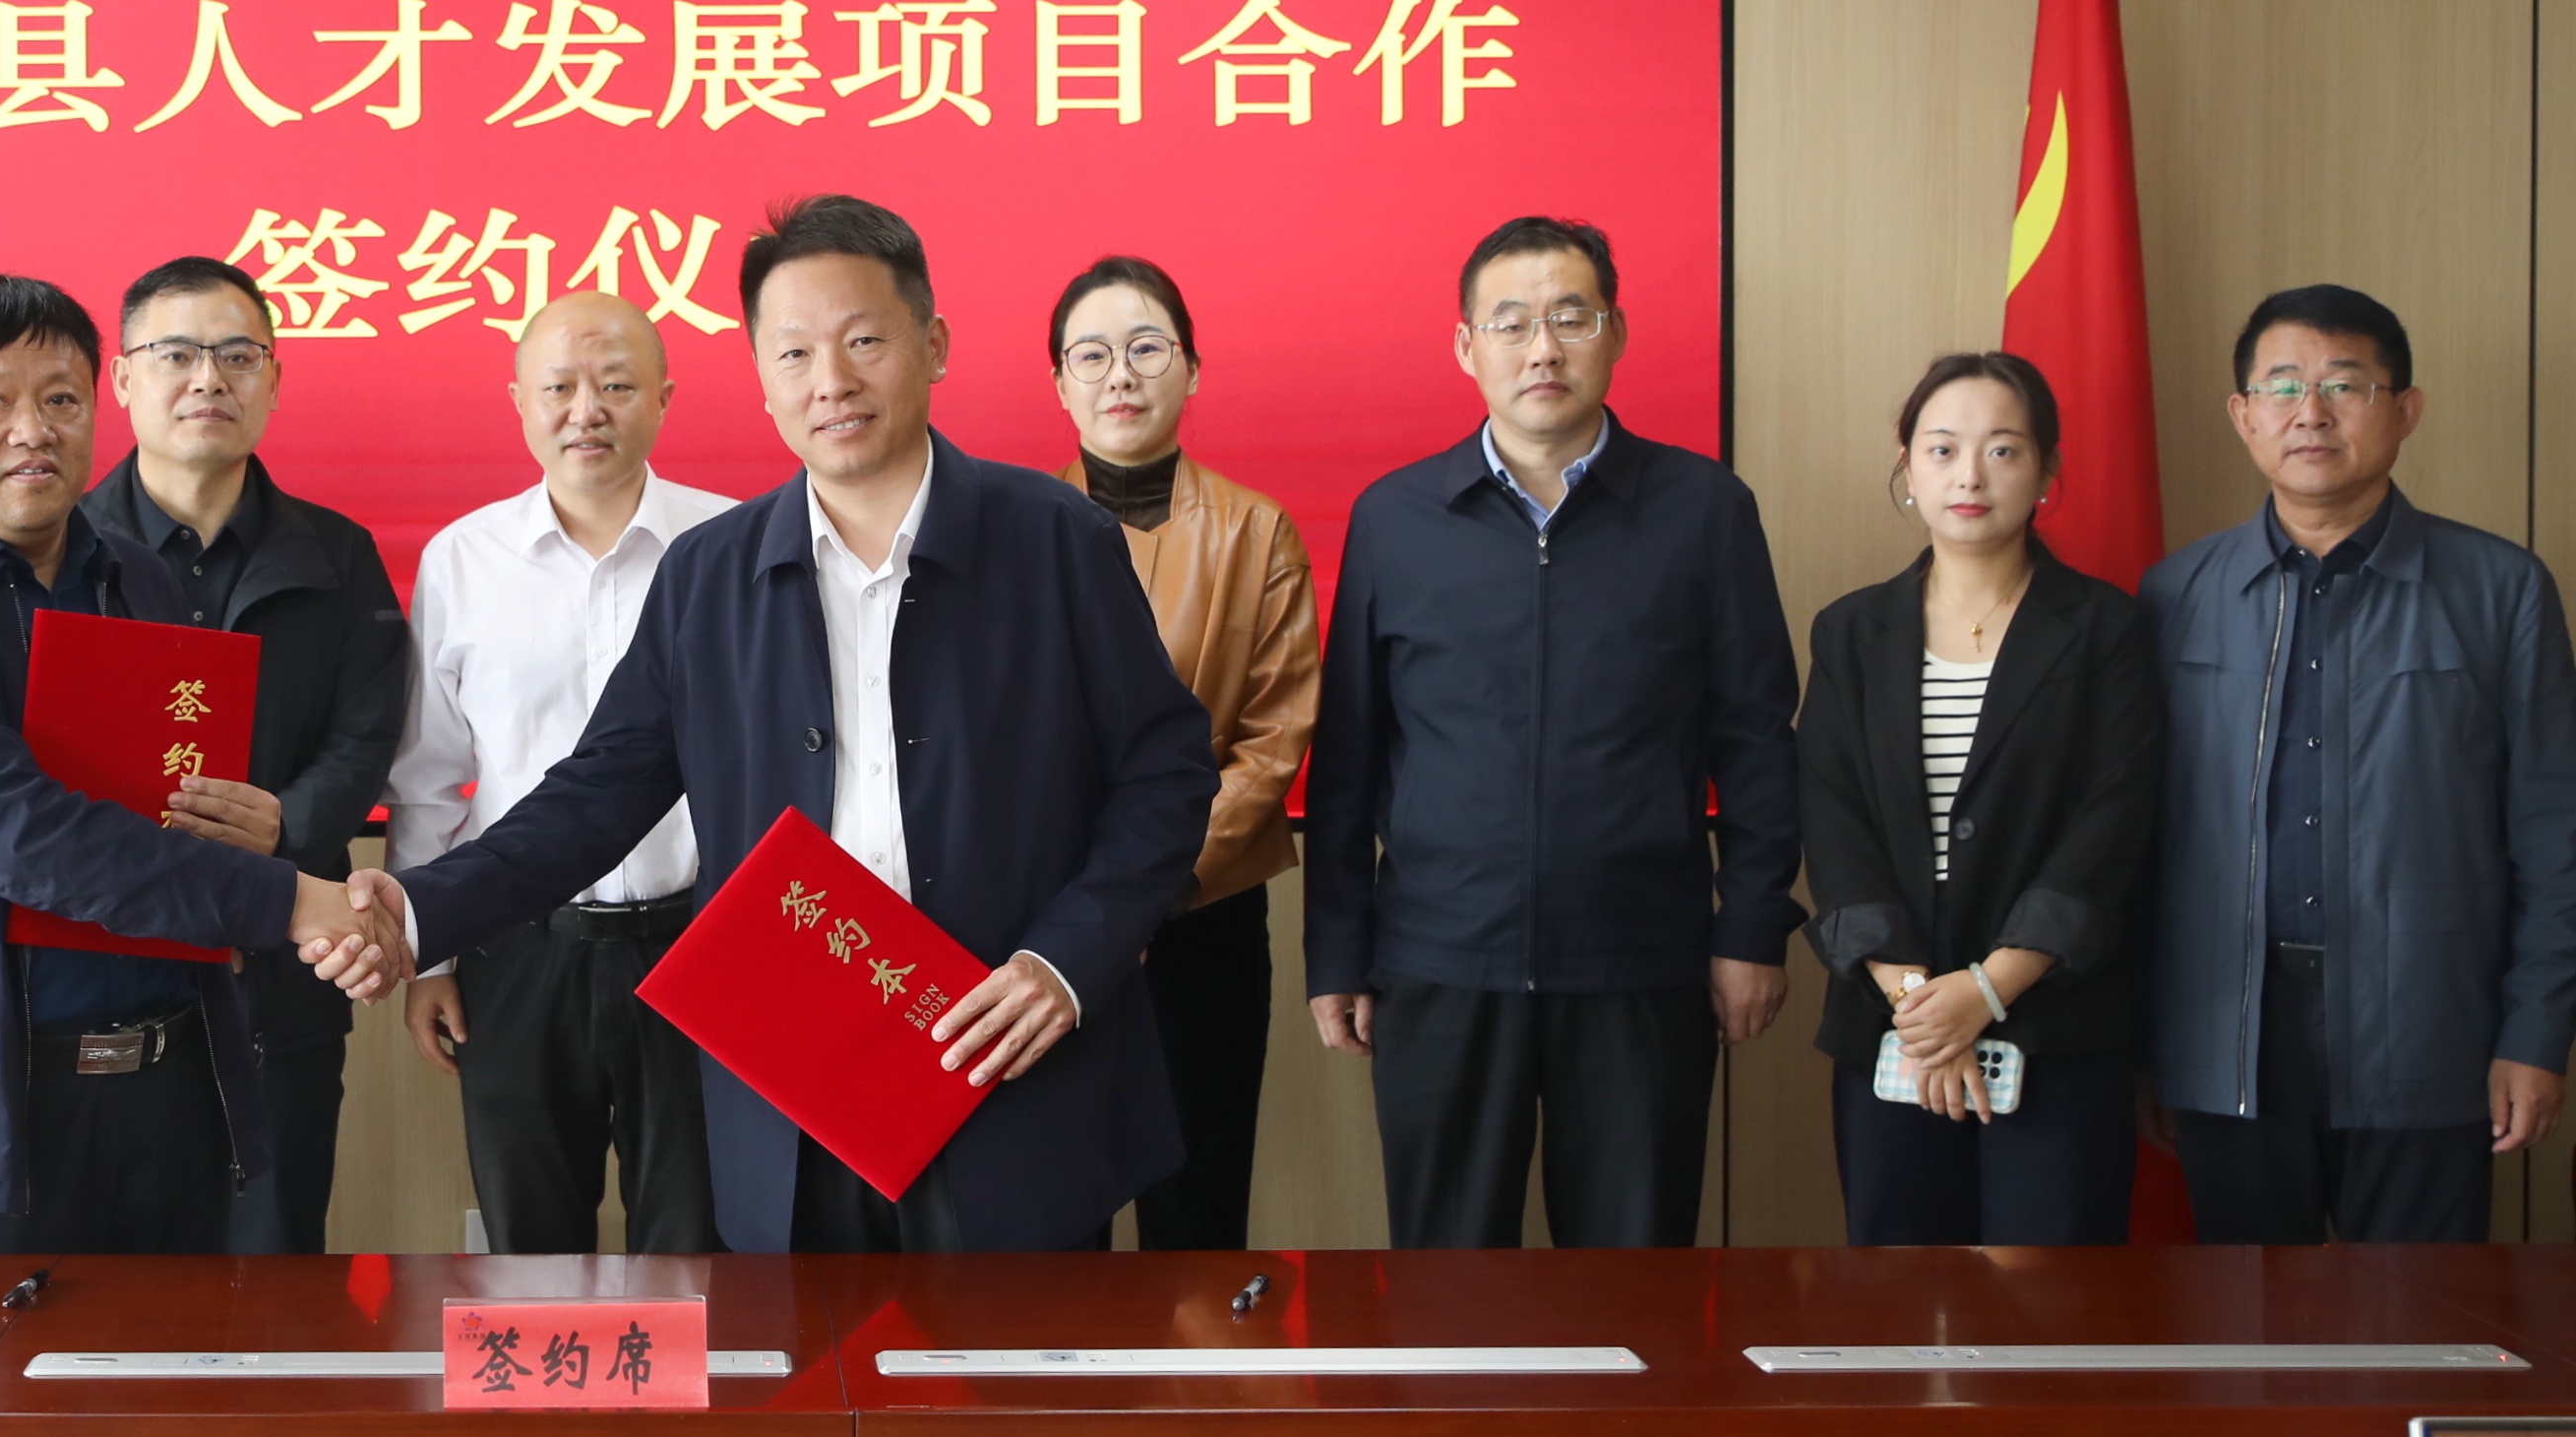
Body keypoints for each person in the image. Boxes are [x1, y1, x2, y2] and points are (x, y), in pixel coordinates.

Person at [345, 194, 1215, 1254]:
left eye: (863, 342)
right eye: (793, 353)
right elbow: (593, 795)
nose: (830, 381)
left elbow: (1166, 772)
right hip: (797, 1081)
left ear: (933, 345)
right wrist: (418, 907)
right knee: (803, 1348)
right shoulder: (708, 576)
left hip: (1008, 1052)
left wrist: (1066, 962)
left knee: (1010, 1356)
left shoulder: (1055, 539)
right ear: (761, 381)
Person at [0, 275, 394, 1254]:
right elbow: (24, 836)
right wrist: (294, 901)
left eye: (61, 399)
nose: (33, 429)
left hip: (175, 1088)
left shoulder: (136, 576)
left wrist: (251, 840)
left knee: (187, 1352)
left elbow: (165, 804)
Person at [1305, 215, 1802, 1249]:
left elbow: (1757, 739)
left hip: (1640, 964)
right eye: (1511, 322)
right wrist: (1337, 952)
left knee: (1634, 1288)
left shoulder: (1704, 511)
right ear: (1466, 345)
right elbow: (1348, 757)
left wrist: (1751, 928)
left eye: (1570, 318)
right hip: (1440, 965)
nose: (1542, 348)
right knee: (1446, 1289)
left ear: (1614, 332)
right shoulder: (1396, 517)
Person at [2145, 284, 2576, 1243]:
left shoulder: (2500, 590)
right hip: (2227, 1031)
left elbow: (2557, 832)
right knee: (2241, 1319)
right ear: (2242, 416)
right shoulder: (2173, 596)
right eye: (2281, 386)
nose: (2309, 412)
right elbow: (2136, 834)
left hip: (2429, 1029)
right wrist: (2148, 1049)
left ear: (2404, 410)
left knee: (2419, 1318)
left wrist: (2535, 1034)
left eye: (2343, 384)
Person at [386, 291, 739, 1254]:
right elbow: (427, 781)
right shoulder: (463, 558)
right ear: (518, 401)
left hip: (699, 946)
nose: (586, 410)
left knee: (700, 1245)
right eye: (559, 387)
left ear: (663, 397)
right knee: (528, 1247)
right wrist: (431, 957)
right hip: (516, 953)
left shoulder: (728, 548)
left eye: (616, 385)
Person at [84, 254, 409, 1255]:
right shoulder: (63, 552)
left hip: (283, 973)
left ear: (273, 379)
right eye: (175, 354)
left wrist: (286, 825)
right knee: (113, 1288)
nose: (207, 379)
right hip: (104, 984)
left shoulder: (338, 553)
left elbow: (367, 729)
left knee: (275, 1270)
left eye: (236, 355)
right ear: (122, 378)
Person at [1798, 352, 2160, 1246]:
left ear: (2045, 470)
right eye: (1942, 448)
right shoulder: (1849, 630)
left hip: (2056, 1028)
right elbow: (1832, 818)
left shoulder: (2107, 627)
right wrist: (1923, 1007)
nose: (1968, 475)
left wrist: (1987, 991)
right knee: (1897, 1294)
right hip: (1894, 1030)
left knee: (2051, 1304)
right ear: (1907, 465)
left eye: (2001, 449)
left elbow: (2112, 822)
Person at [1046, 254, 1319, 1252]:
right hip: (1045, 928)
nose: (1119, 374)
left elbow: (1272, 739)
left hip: (1199, 915)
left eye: (1146, 348)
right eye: (1091, 354)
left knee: (1195, 1217)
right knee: (1054, 1217)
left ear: (1191, 369)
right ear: (1060, 383)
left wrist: (1149, 886)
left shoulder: (1257, 531)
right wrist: (1088, 907)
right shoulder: (1007, 530)